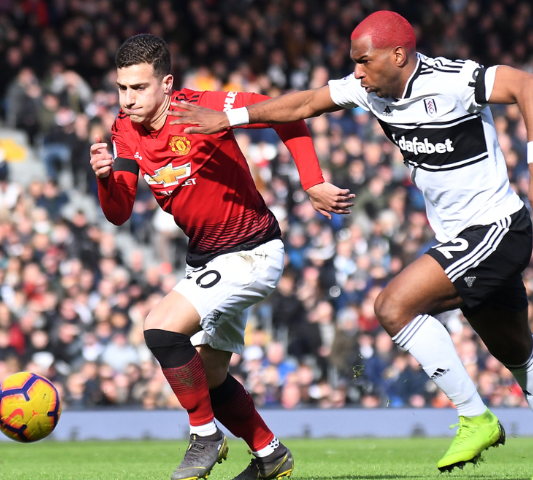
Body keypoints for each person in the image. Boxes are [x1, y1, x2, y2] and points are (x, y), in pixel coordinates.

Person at [169, 11, 533, 480]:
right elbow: (304, 104)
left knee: (393, 306)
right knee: (512, 346)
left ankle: (475, 418)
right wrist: (228, 118)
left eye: (364, 61)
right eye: (355, 63)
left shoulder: (452, 79)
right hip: (460, 237)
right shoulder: (367, 90)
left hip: (496, 228)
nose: (358, 72)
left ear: (399, 54)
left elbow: (531, 86)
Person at [90, 34, 354, 480]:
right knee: (210, 377)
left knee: (159, 328)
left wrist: (311, 181)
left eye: (139, 88)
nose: (128, 99)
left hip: (252, 252)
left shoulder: (202, 107)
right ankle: (270, 454)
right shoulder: (124, 130)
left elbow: (285, 114)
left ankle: (204, 436)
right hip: (207, 259)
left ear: (167, 83)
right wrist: (103, 178)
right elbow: (118, 212)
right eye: (122, 88)